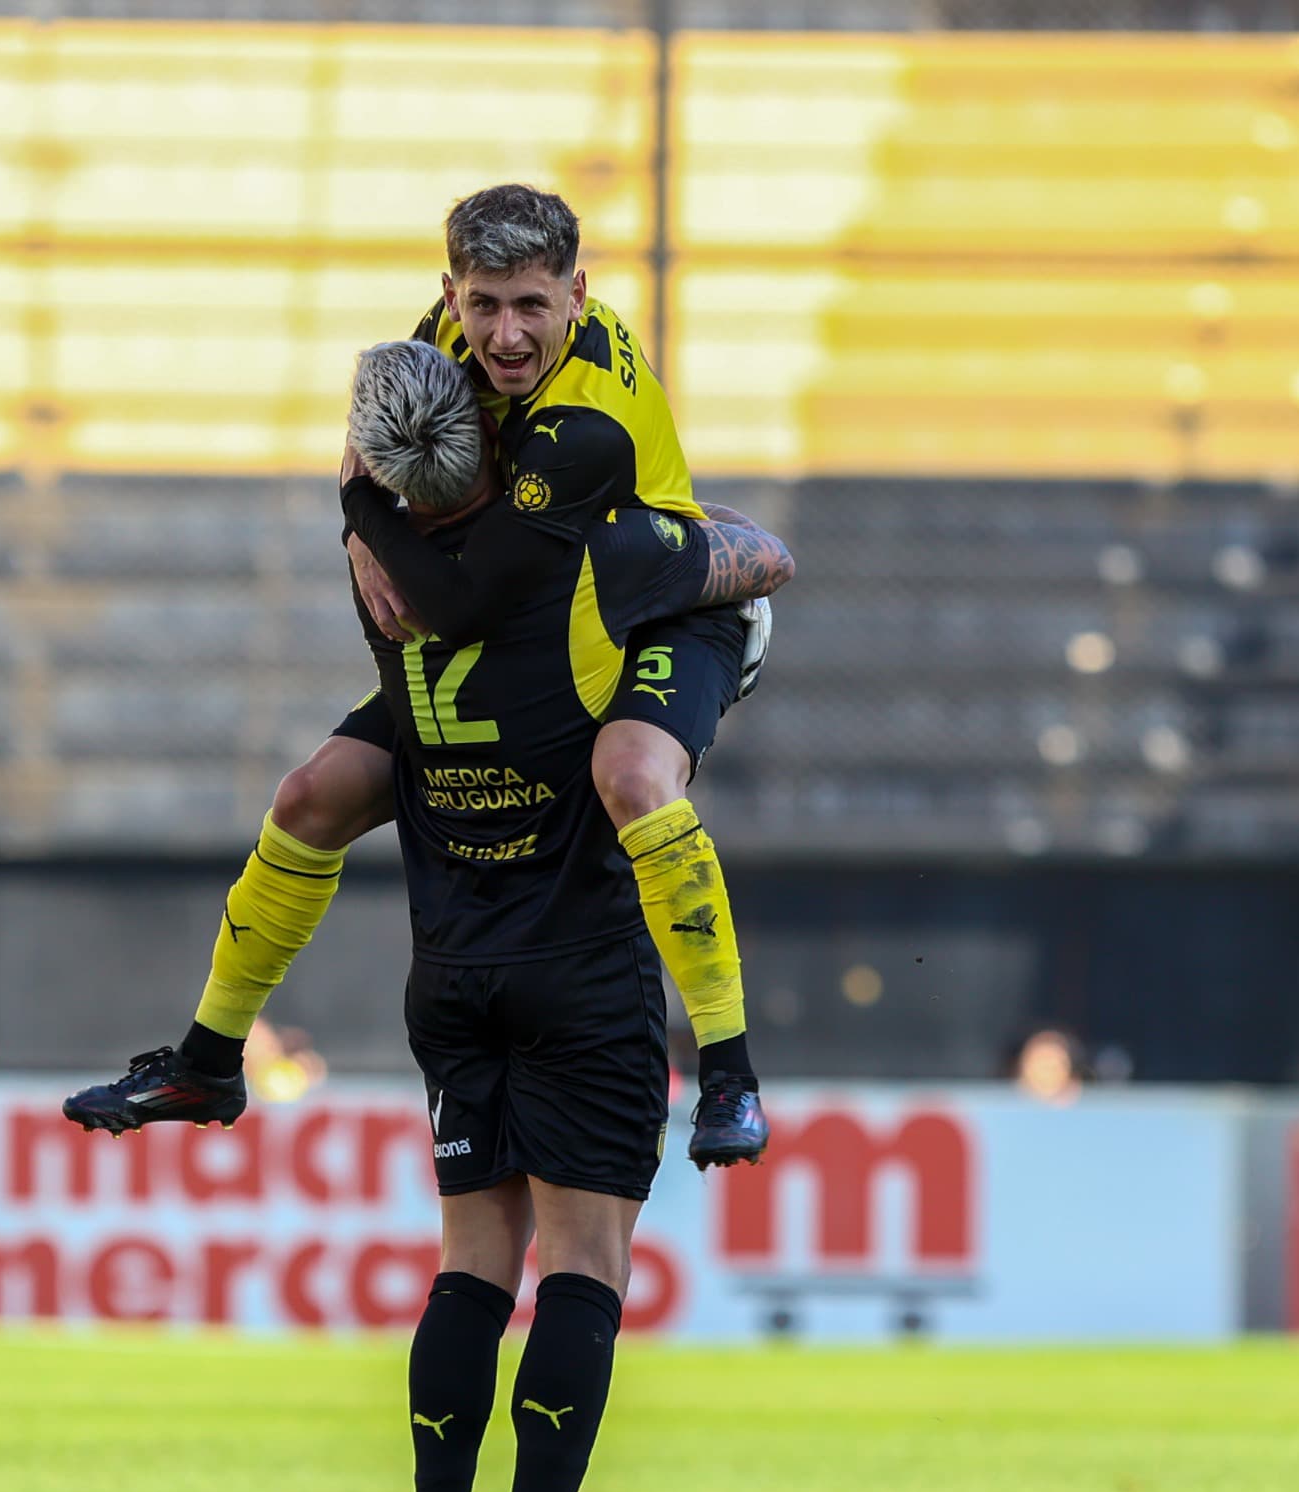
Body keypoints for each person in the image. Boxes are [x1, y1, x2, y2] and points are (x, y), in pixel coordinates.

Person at [65, 184, 775, 1169]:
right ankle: (209, 1059)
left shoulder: (583, 428)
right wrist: (360, 525)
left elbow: (461, 603)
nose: (505, 334)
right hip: (535, 607)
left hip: (654, 606)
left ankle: (729, 1073)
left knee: (631, 776)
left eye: (531, 305)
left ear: (576, 294)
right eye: (484, 304)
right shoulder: (442, 334)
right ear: (451, 292)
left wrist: (362, 513)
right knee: (310, 796)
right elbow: (370, 427)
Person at [314, 342, 791, 1492]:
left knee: (472, 1264)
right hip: (581, 964)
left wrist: (358, 496)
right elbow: (756, 561)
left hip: (450, 965)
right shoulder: (592, 570)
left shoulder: (393, 585)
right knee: (584, 1263)